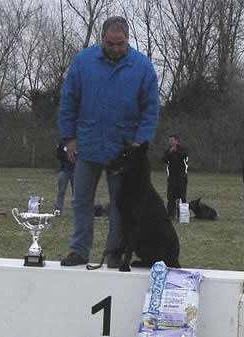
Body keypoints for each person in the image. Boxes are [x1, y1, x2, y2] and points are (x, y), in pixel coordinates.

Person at [58, 16, 159, 267]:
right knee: (81, 200)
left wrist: (140, 144)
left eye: (120, 44)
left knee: (120, 205)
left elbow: (150, 110)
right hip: (87, 145)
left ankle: (114, 252)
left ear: (128, 40)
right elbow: (69, 102)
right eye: (110, 44)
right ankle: (79, 250)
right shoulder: (83, 62)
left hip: (124, 153)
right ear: (102, 39)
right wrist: (69, 138)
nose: (115, 49)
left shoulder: (143, 67)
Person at [161, 135, 188, 219]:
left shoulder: (183, 149)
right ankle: (170, 215)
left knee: (182, 196)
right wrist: (170, 152)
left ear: (177, 141)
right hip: (171, 177)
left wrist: (176, 151)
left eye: (172, 140)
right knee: (170, 197)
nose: (171, 142)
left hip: (182, 177)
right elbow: (164, 160)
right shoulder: (168, 150)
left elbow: (184, 156)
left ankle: (182, 216)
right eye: (170, 140)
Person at [53, 142, 75, 216]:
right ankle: (58, 209)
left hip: (75, 171)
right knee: (61, 191)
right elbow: (59, 155)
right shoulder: (62, 144)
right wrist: (68, 156)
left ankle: (77, 210)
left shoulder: (77, 143)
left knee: (76, 192)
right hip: (64, 170)